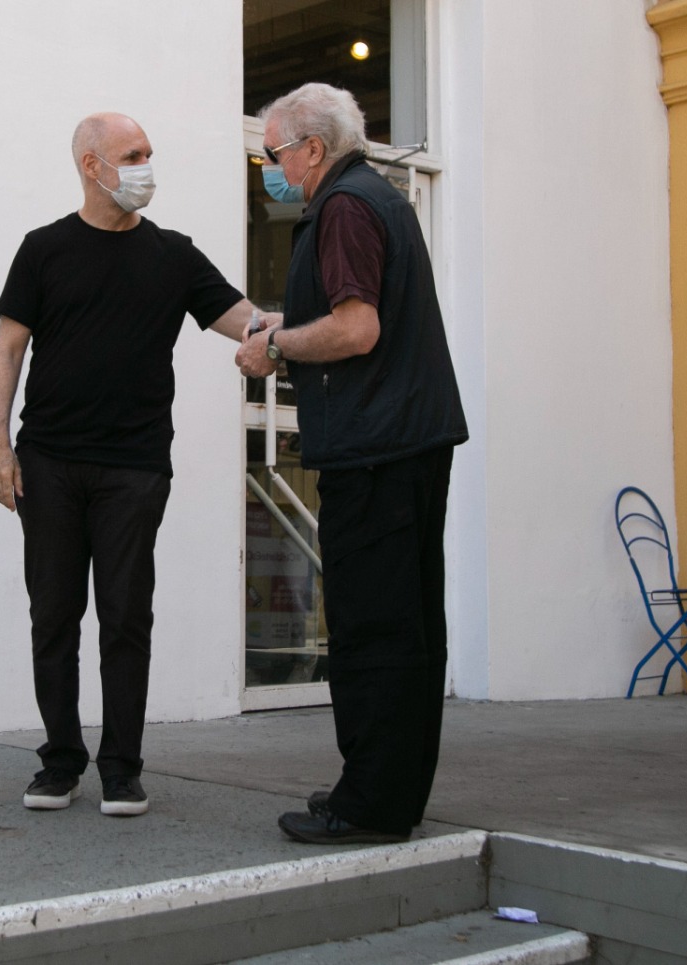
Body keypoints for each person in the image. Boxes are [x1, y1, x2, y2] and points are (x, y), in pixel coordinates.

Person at [0, 112, 272, 816]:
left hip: (135, 467)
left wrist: (297, 334)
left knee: (125, 615)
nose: (146, 165)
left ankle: (122, 768)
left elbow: (243, 318)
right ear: (92, 165)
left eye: (148, 152)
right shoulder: (45, 249)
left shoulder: (173, 255)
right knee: (53, 614)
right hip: (47, 462)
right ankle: (59, 761)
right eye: (132, 154)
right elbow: (8, 350)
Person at [237, 83, 468, 845]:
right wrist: (284, 323)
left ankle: (367, 804)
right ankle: (389, 788)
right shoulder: (376, 198)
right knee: (408, 626)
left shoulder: (341, 207)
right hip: (404, 443)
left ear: (312, 148)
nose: (271, 169)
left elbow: (357, 327)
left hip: (376, 451)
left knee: (372, 631)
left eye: (274, 155)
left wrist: (274, 346)